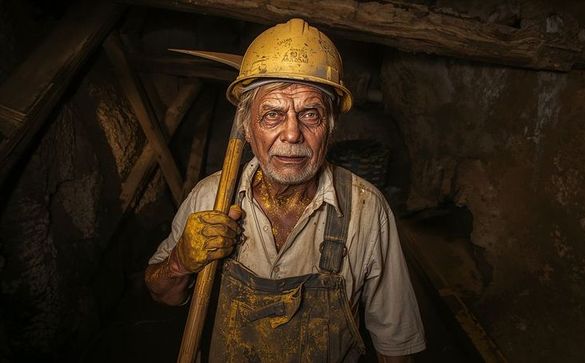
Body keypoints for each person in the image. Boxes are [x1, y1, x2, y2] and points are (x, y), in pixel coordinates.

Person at [145, 18, 425, 362]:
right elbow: (163, 294)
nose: (292, 134)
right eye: (273, 115)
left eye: (310, 114)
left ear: (331, 128)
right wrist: (180, 263)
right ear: (248, 129)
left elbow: (395, 347)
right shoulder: (211, 198)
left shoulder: (367, 210)